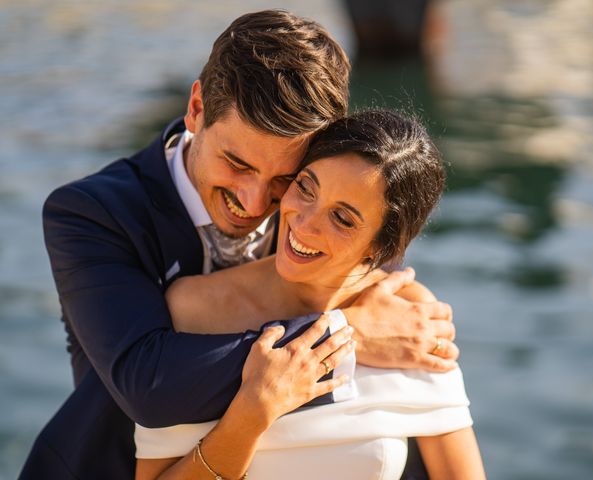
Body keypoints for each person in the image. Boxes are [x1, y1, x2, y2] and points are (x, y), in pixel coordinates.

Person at [20, 10, 458, 480]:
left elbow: (406, 375)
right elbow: (147, 385)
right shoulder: (91, 213)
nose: (253, 202)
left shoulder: (327, 217)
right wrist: (347, 334)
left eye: (286, 177)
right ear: (196, 108)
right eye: (237, 163)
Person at [134, 110, 485, 480]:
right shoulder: (195, 309)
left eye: (343, 219)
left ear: (380, 247)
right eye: (305, 187)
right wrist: (252, 414)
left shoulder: (411, 312)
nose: (303, 222)